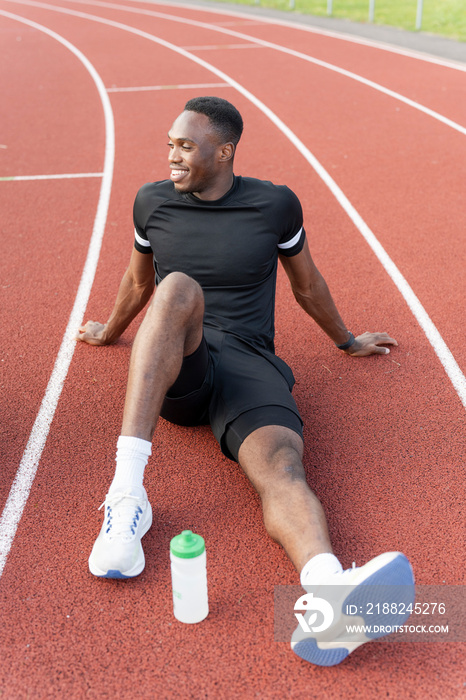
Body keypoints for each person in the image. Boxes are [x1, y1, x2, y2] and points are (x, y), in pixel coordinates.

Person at [78, 96, 414, 667]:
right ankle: (126, 496)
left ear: (225, 151)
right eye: (169, 144)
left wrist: (347, 340)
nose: (171, 157)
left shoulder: (274, 205)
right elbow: (140, 285)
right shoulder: (151, 202)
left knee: (283, 464)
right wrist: (109, 331)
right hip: (184, 359)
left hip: (251, 361)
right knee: (177, 287)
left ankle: (328, 590)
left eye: (184, 146)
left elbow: (306, 285)